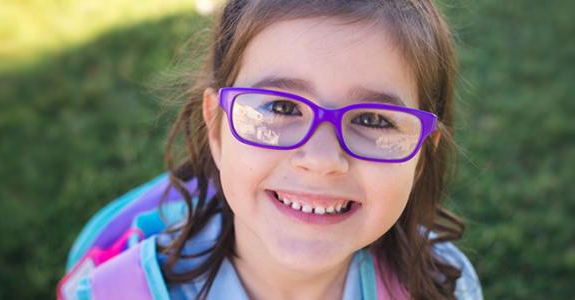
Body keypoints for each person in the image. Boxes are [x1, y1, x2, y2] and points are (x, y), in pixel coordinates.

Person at [58, 0, 483, 299]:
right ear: (217, 128)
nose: (321, 161)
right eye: (282, 107)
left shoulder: (443, 284)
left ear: (421, 154)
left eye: (372, 119)